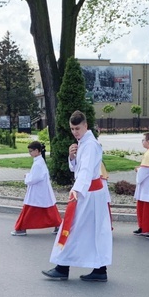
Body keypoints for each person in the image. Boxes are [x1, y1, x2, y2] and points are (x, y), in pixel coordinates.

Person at [43, 110, 112, 282]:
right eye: (72, 129)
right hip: (89, 193)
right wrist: (71, 157)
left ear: (85, 126)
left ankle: (63, 267)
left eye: (77, 128)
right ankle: (98, 269)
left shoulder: (89, 145)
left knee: (74, 228)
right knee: (90, 231)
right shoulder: (83, 142)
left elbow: (87, 171)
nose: (75, 132)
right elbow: (78, 169)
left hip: (89, 194)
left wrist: (76, 190)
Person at [11, 141, 62, 236]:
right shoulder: (39, 161)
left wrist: (27, 177)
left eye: (31, 151)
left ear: (37, 151)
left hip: (37, 191)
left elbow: (35, 178)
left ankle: (21, 228)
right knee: (49, 209)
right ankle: (58, 225)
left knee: (29, 210)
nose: (29, 153)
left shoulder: (38, 163)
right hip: (42, 191)